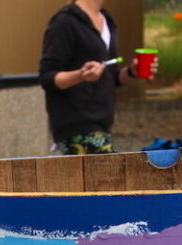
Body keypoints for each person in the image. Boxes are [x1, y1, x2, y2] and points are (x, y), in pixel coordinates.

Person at [39, 0, 157, 155]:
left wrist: (131, 72)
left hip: (102, 124)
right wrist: (81, 75)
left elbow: (110, 77)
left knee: (104, 177)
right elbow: (47, 77)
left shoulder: (107, 21)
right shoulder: (65, 21)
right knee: (112, 175)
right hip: (75, 125)